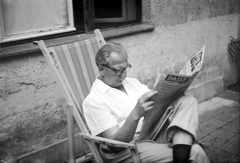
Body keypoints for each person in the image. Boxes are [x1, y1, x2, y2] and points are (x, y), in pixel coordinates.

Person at [83, 42, 210, 163]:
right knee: (195, 151)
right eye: (118, 70)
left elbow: (156, 102)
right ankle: (184, 149)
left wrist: (172, 93)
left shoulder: (131, 82)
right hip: (127, 148)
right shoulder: (94, 100)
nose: (123, 75)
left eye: (126, 68)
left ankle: (181, 151)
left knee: (188, 101)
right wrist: (135, 115)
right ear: (101, 69)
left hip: (150, 132)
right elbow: (115, 145)